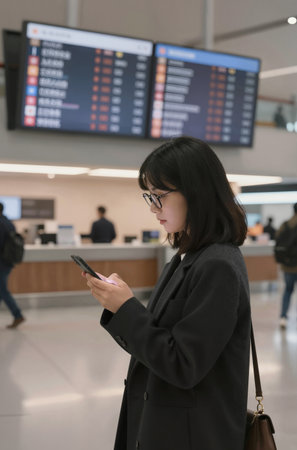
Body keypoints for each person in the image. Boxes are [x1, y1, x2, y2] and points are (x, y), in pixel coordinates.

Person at [84, 137, 251, 450]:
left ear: (196, 192)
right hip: (167, 420)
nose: (152, 208)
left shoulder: (218, 265)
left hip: (194, 432)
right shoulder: (188, 255)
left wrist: (126, 309)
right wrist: (124, 304)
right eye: (149, 196)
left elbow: (183, 364)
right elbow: (163, 336)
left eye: (159, 196)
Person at [0, 202, 25, 329]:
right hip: (8, 261)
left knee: (3, 290)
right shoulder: (8, 223)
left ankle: (17, 315)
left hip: (2, 262)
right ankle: (17, 315)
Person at [276, 203, 297, 329]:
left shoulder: (285, 224)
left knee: (288, 291)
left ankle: (283, 317)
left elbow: (278, 239)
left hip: (288, 265)